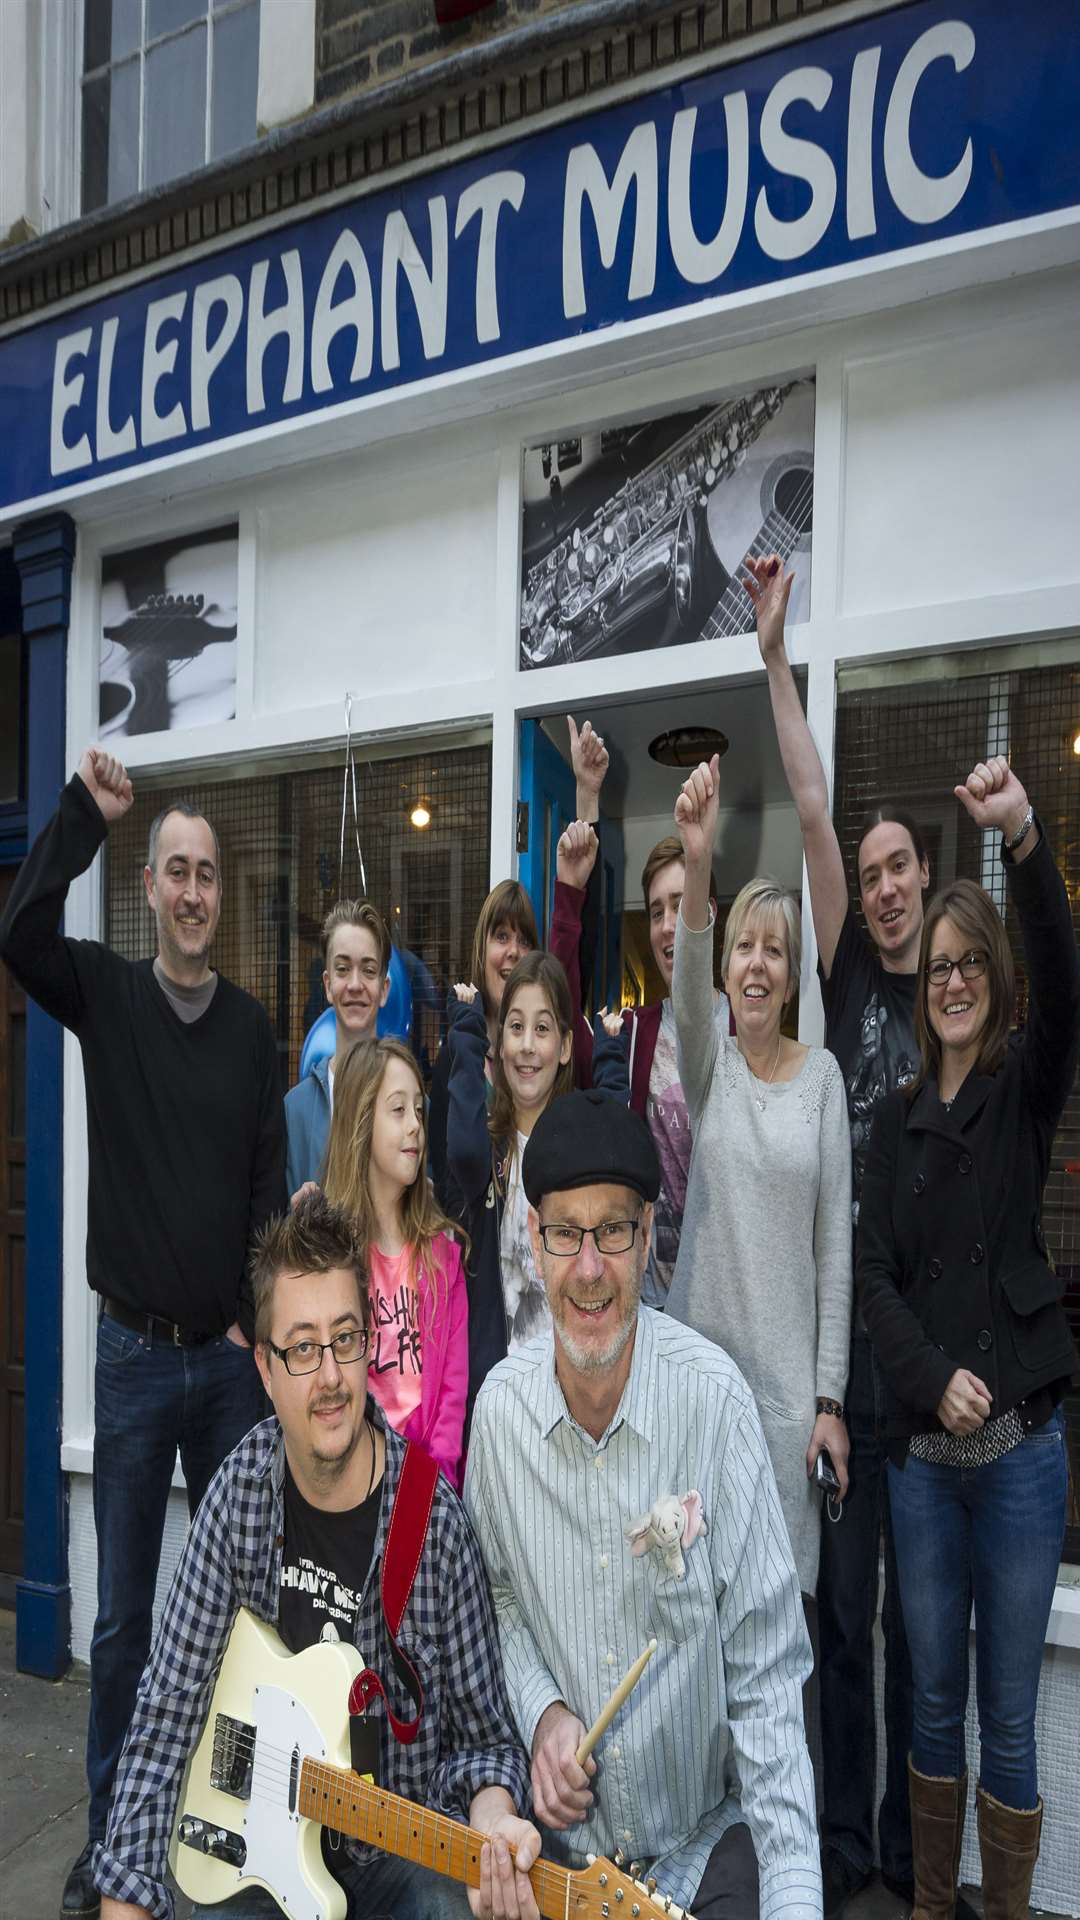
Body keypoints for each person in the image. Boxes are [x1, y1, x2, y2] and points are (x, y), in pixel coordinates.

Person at [0, 746, 285, 1920]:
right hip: (125, 1360)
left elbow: (271, 1195)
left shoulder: (254, 1028)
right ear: (151, 887)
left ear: (222, 895)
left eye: (206, 873)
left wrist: (255, 1336)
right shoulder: (107, 997)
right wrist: (80, 816)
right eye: (172, 870)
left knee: (240, 1621)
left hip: (223, 1374)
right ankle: (117, 1841)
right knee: (123, 1625)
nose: (189, 891)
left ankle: (225, 1830)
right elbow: (18, 935)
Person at [93, 1190, 541, 1920]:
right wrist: (125, 1899)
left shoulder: (434, 1522)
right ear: (265, 1371)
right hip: (254, 1865)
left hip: (393, 1862)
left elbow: (486, 1741)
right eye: (302, 1349)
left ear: (371, 1343)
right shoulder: (238, 1496)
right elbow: (167, 1710)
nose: (330, 1376)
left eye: (345, 1339)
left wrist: (491, 1817)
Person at [465, 1090, 823, 1920]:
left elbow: (770, 1687)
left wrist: (797, 1902)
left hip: (704, 1843)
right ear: (534, 1240)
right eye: (565, 1234)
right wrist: (543, 1710)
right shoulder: (501, 1417)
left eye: (613, 1232)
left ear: (650, 1233)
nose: (589, 1269)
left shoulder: (715, 1405)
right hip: (559, 1858)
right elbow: (498, 1596)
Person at [858, 756, 1079, 1920]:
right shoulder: (894, 1124)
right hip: (924, 1473)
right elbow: (875, 1280)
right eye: (935, 970)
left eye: (967, 965)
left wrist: (1026, 839)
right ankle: (933, 1908)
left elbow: (1068, 981)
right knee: (931, 1705)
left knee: (1006, 1712)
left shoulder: (1026, 1088)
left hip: (1024, 1462)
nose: (950, 983)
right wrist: (931, 1377)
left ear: (991, 976)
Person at [751, 550, 932, 1912]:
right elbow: (808, 802)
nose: (877, 885)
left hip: (941, 1360)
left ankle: (908, 1851)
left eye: (896, 868)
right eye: (865, 871)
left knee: (919, 1635)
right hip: (852, 1367)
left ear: (930, 880)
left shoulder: (964, 987)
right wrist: (772, 655)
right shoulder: (851, 977)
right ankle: (849, 1857)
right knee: (839, 1622)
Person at [666, 755, 852, 1595]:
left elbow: (834, 1258)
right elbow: (688, 1000)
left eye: (774, 951)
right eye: (743, 945)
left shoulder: (823, 1082)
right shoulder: (711, 1069)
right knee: (694, 1615)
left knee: (777, 1636)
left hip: (787, 1418)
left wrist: (829, 1401)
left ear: (789, 974)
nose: (755, 964)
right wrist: (698, 860)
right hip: (701, 1392)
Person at [550, 742, 731, 1306]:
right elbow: (559, 1014)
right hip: (650, 1310)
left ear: (709, 911)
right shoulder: (632, 1034)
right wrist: (584, 813)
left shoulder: (742, 1032)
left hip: (726, 1306)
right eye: (656, 910)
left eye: (680, 904)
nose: (667, 925)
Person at [445, 946, 628, 1412]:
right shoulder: (488, 1147)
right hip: (498, 1397)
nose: (527, 1045)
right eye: (516, 1027)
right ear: (500, 1042)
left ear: (565, 1047)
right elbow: (461, 1150)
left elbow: (618, 1141)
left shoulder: (578, 1148)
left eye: (543, 1029)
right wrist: (466, 1035)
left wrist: (609, 1060)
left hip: (575, 1396)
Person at [321, 1036, 469, 1489]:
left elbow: (452, 1394)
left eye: (419, 1112)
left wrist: (430, 1483)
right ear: (361, 1122)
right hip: (349, 1485)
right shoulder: (329, 1255)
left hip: (426, 1485)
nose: (415, 1128)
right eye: (398, 1110)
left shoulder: (443, 1255)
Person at [285, 899, 391, 1195]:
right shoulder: (295, 1111)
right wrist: (298, 1226)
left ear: (384, 989)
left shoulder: (414, 1102)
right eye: (343, 969)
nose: (355, 984)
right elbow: (277, 1231)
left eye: (369, 970)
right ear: (328, 985)